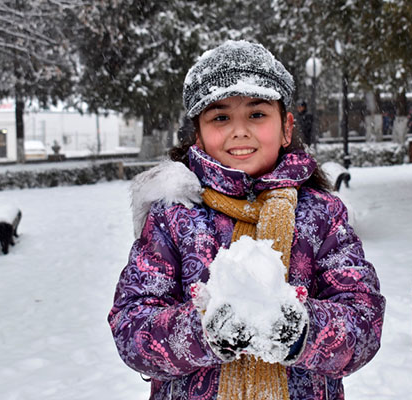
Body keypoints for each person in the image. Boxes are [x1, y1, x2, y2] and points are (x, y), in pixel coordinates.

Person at [109, 40, 385, 400]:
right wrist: (201, 330)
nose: (239, 131)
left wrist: (304, 329)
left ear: (286, 127)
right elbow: (131, 327)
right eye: (220, 117)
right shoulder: (174, 215)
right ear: (198, 133)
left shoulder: (322, 216)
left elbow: (364, 320)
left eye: (257, 114)